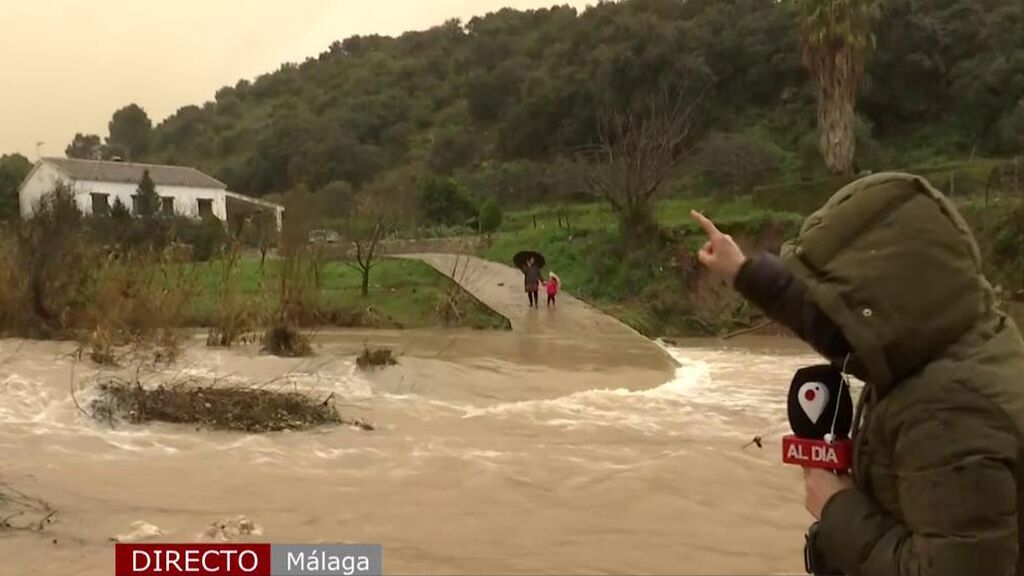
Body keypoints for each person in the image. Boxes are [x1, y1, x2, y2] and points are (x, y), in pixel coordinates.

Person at [693, 172, 1024, 575]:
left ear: (884, 303)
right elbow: (839, 323)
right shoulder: (953, 331)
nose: (837, 317)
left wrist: (837, 508)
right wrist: (744, 272)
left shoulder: (949, 415)